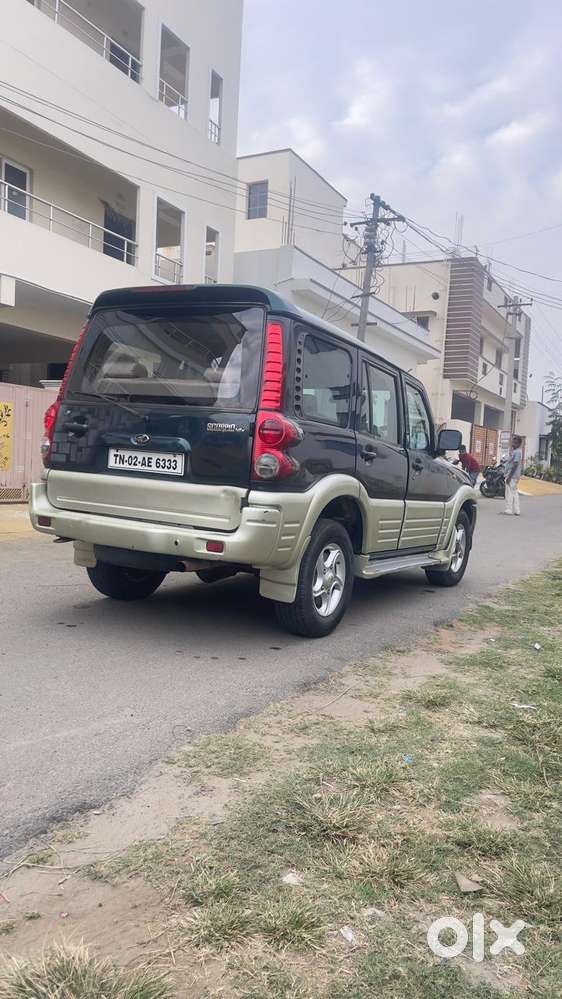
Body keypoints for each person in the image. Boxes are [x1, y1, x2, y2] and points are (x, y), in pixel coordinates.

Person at [503, 435, 523, 516]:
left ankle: (509, 509)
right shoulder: (516, 451)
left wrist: (509, 477)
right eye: (512, 442)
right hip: (514, 476)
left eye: (515, 442)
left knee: (509, 493)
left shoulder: (517, 452)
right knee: (514, 493)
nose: (512, 444)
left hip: (512, 476)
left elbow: (515, 465)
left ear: (518, 444)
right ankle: (517, 510)